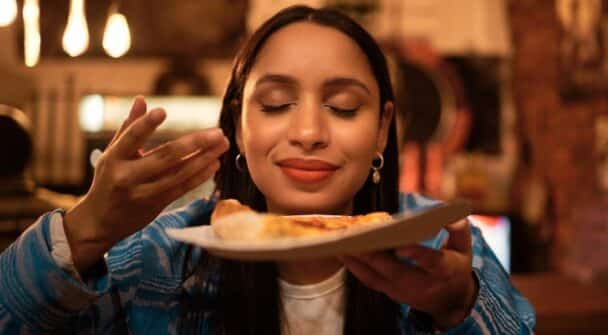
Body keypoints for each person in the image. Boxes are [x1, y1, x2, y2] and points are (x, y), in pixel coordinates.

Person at [0, 5, 535, 335]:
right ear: (238, 122)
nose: (307, 131)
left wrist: (456, 308)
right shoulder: (162, 255)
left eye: (344, 107)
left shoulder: (439, 245)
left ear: (381, 129)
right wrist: (84, 228)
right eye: (276, 103)